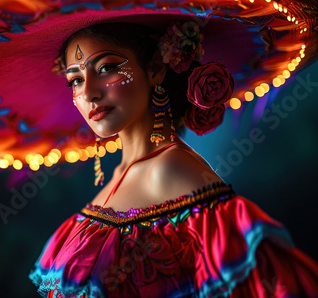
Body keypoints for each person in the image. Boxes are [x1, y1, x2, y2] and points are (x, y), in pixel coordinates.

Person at [28, 23, 318, 297]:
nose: (88, 92)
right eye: (76, 80)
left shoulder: (170, 168)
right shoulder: (120, 173)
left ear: (155, 68)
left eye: (106, 68)